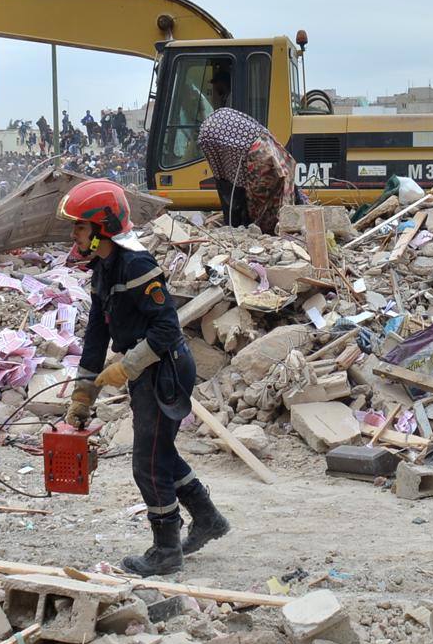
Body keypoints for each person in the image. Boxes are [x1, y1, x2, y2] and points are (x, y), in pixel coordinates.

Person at [61, 179, 228, 575]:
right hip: (148, 370)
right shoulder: (104, 268)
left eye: (80, 226)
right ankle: (207, 518)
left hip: (165, 371)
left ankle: (166, 549)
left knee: (147, 463)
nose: (74, 234)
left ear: (102, 227)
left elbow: (167, 329)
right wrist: (82, 396)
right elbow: (96, 337)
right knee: (160, 454)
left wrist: (127, 366)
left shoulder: (136, 264)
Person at [197, 66, 299, 234]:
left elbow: (234, 184)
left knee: (262, 204)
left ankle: (268, 232)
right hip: (273, 156)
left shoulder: (222, 141)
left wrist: (238, 220)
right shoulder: (234, 130)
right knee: (279, 197)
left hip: (263, 161)